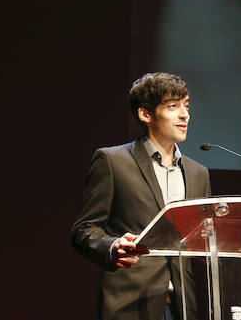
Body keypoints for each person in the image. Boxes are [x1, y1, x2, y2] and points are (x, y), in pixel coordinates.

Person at [72, 72, 212, 320]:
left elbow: (203, 239)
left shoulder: (198, 173)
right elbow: (85, 230)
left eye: (186, 106)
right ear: (145, 114)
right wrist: (113, 246)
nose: (184, 115)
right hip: (129, 304)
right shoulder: (113, 161)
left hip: (181, 307)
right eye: (173, 106)